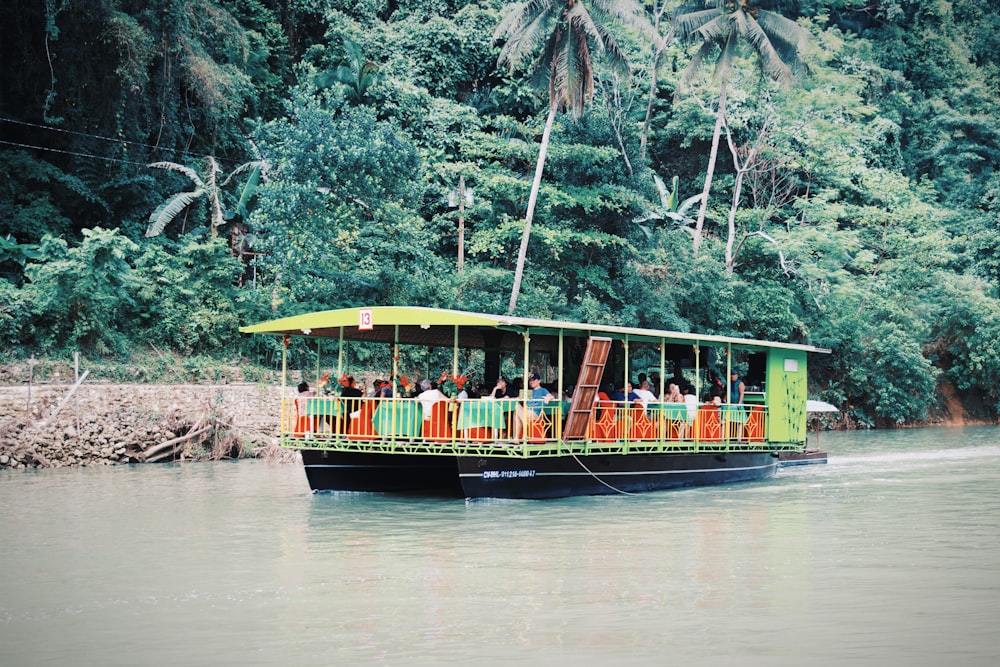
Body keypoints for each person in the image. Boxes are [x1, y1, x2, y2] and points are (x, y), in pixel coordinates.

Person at [514, 372, 555, 436]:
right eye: (530, 380)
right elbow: (518, 398)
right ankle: (519, 435)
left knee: (518, 414)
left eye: (533, 380)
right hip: (526, 412)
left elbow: (551, 396)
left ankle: (522, 433)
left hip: (535, 413)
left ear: (539, 381)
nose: (531, 382)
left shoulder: (543, 390)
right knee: (517, 408)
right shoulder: (529, 392)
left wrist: (548, 398)